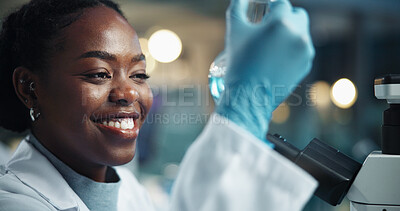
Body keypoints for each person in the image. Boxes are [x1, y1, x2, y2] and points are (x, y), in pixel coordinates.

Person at [0, 0, 317, 210]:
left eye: (139, 74)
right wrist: (246, 105)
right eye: (99, 73)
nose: (129, 93)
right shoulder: (13, 202)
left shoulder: (130, 193)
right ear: (30, 88)